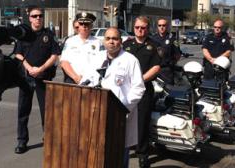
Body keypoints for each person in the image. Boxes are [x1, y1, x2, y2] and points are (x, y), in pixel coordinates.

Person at [96, 27, 145, 168]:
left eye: (115, 38)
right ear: (104, 41)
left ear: (121, 41)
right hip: (98, 114)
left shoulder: (131, 60)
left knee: (119, 155)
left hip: (120, 116)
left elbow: (139, 88)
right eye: (108, 38)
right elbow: (87, 80)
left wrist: (123, 108)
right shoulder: (97, 58)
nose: (111, 42)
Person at [13, 6, 60, 154]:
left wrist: (40, 69)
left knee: (46, 112)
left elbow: (55, 55)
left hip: (43, 77)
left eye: (40, 16)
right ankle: (22, 141)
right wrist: (28, 67)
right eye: (34, 16)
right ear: (30, 18)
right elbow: (17, 54)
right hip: (26, 78)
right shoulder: (24, 34)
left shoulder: (49, 34)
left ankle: (48, 138)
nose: (38, 18)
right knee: (23, 111)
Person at [123, 16, 161, 168]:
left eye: (143, 28)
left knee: (142, 123)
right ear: (134, 28)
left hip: (144, 89)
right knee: (124, 120)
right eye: (137, 27)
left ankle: (143, 154)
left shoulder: (154, 46)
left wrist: (138, 80)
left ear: (147, 29)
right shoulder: (126, 44)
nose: (140, 30)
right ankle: (126, 148)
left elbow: (156, 67)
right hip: (125, 89)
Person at [60, 12, 102, 84]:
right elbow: (64, 62)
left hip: (91, 82)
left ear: (91, 26)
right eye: (81, 24)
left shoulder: (98, 42)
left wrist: (89, 78)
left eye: (86, 24)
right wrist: (75, 77)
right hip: (72, 80)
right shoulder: (70, 41)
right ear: (78, 26)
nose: (84, 26)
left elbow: (101, 64)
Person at [151, 18, 182, 85]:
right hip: (154, 69)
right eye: (160, 25)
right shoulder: (153, 38)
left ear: (167, 26)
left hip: (166, 70)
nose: (161, 27)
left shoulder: (172, 39)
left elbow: (178, 54)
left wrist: (172, 63)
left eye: (163, 25)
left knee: (168, 91)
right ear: (157, 26)